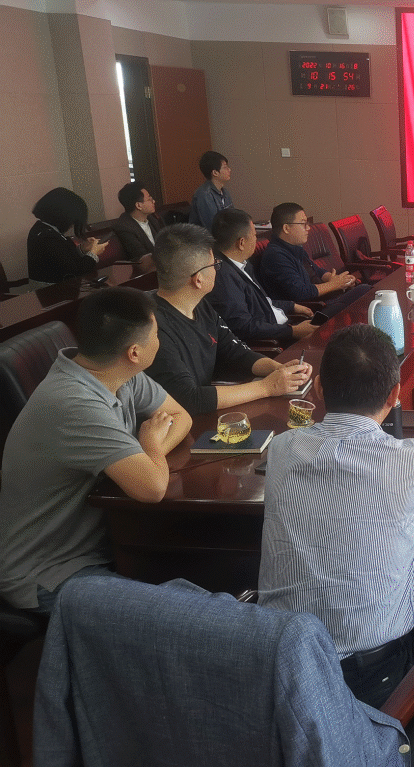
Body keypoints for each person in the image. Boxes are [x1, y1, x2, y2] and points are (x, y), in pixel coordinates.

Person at [259, 324, 414, 708]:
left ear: (319, 387)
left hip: (283, 672)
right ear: (395, 394)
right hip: (371, 681)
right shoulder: (412, 461)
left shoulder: (281, 450)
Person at [0, 287, 192, 613]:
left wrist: (150, 455)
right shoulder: (73, 403)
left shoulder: (118, 372)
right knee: (178, 612)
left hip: (106, 542)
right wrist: (149, 446)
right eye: (156, 335)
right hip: (50, 572)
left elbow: (180, 416)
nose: (158, 341)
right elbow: (152, 487)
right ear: (134, 352)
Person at [145, 223, 311, 415]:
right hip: (182, 421)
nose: (218, 269)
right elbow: (190, 398)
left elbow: (234, 351)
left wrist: (278, 369)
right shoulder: (151, 325)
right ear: (198, 279)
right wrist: (267, 387)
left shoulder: (200, 304)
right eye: (215, 264)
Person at [206, 208, 318, 344]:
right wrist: (292, 331)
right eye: (254, 235)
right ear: (241, 243)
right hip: (274, 340)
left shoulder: (244, 264)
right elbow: (243, 327)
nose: (256, 239)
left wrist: (291, 306)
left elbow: (262, 301)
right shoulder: (223, 278)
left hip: (281, 327)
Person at [258, 202, 361, 303]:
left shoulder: (294, 247)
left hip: (324, 299)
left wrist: (339, 279)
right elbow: (300, 292)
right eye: (303, 224)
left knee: (363, 290)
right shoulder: (275, 256)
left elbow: (316, 271)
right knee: (363, 291)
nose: (308, 228)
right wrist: (334, 285)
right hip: (314, 308)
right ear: (286, 228)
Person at [26, 187, 105, 283]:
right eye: (73, 219)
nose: (72, 224)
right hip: (53, 289)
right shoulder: (47, 237)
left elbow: (63, 258)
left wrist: (82, 249)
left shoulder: (42, 229)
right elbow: (75, 271)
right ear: (62, 215)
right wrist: (93, 254)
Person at [113, 180, 163, 271]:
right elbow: (141, 258)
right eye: (149, 199)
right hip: (145, 271)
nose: (154, 201)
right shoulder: (124, 227)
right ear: (139, 205)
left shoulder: (152, 219)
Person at [189, 150, 233, 229]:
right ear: (215, 173)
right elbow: (213, 227)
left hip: (224, 234)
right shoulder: (204, 195)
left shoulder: (225, 192)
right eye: (225, 167)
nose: (229, 170)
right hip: (206, 236)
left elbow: (234, 218)